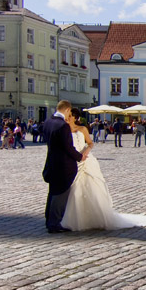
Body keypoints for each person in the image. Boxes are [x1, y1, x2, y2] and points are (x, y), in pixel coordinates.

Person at [61, 108, 146, 231]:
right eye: (67, 115)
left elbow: (90, 143)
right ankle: (75, 217)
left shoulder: (82, 129)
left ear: (75, 117)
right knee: (74, 189)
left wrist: (85, 152)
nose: (68, 118)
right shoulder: (63, 130)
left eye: (70, 116)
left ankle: (92, 216)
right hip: (73, 160)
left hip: (85, 160)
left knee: (87, 187)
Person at [41, 100, 88, 233]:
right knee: (60, 194)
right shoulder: (63, 126)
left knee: (52, 193)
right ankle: (54, 223)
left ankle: (49, 220)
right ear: (67, 110)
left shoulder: (48, 122)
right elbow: (68, 147)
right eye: (69, 112)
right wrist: (80, 157)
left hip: (51, 163)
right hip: (63, 166)